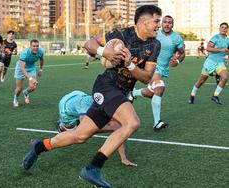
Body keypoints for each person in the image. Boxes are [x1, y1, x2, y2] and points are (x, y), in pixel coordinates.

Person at [23, 5, 161, 188]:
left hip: (120, 92)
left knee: (80, 135)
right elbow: (89, 44)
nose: (158, 25)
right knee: (132, 122)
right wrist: (105, 52)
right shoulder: (121, 34)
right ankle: (93, 168)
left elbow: (146, 77)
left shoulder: (154, 44)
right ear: (144, 21)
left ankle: (38, 147)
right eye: (156, 21)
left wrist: (130, 65)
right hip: (106, 86)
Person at [130, 15, 185, 131]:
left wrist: (178, 61)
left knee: (152, 93)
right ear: (161, 24)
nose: (167, 24)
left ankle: (133, 93)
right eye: (165, 22)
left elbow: (182, 53)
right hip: (152, 66)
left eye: (170, 22)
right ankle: (157, 123)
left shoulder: (177, 38)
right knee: (159, 88)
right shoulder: (154, 34)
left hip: (164, 70)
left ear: (173, 24)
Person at [57, 90, 137, 167]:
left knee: (115, 126)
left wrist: (123, 158)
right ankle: (62, 125)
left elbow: (118, 128)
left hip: (77, 94)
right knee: (76, 130)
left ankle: (77, 119)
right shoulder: (86, 105)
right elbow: (83, 129)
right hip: (65, 106)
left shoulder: (103, 103)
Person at [188, 22, 229, 105]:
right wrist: (221, 49)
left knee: (225, 77)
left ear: (227, 30)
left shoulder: (228, 40)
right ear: (219, 29)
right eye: (222, 27)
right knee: (200, 82)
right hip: (210, 62)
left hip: (220, 63)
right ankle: (192, 95)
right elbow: (208, 48)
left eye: (225, 28)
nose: (224, 29)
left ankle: (215, 96)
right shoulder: (215, 37)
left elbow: (227, 50)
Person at [13, 39, 44, 107]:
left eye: (37, 46)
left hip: (31, 68)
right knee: (19, 88)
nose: (35, 48)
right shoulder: (24, 53)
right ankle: (16, 99)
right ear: (30, 46)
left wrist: (41, 69)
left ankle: (26, 92)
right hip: (20, 68)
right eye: (33, 46)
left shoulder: (40, 52)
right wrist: (30, 78)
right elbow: (22, 68)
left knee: (33, 86)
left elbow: (41, 59)